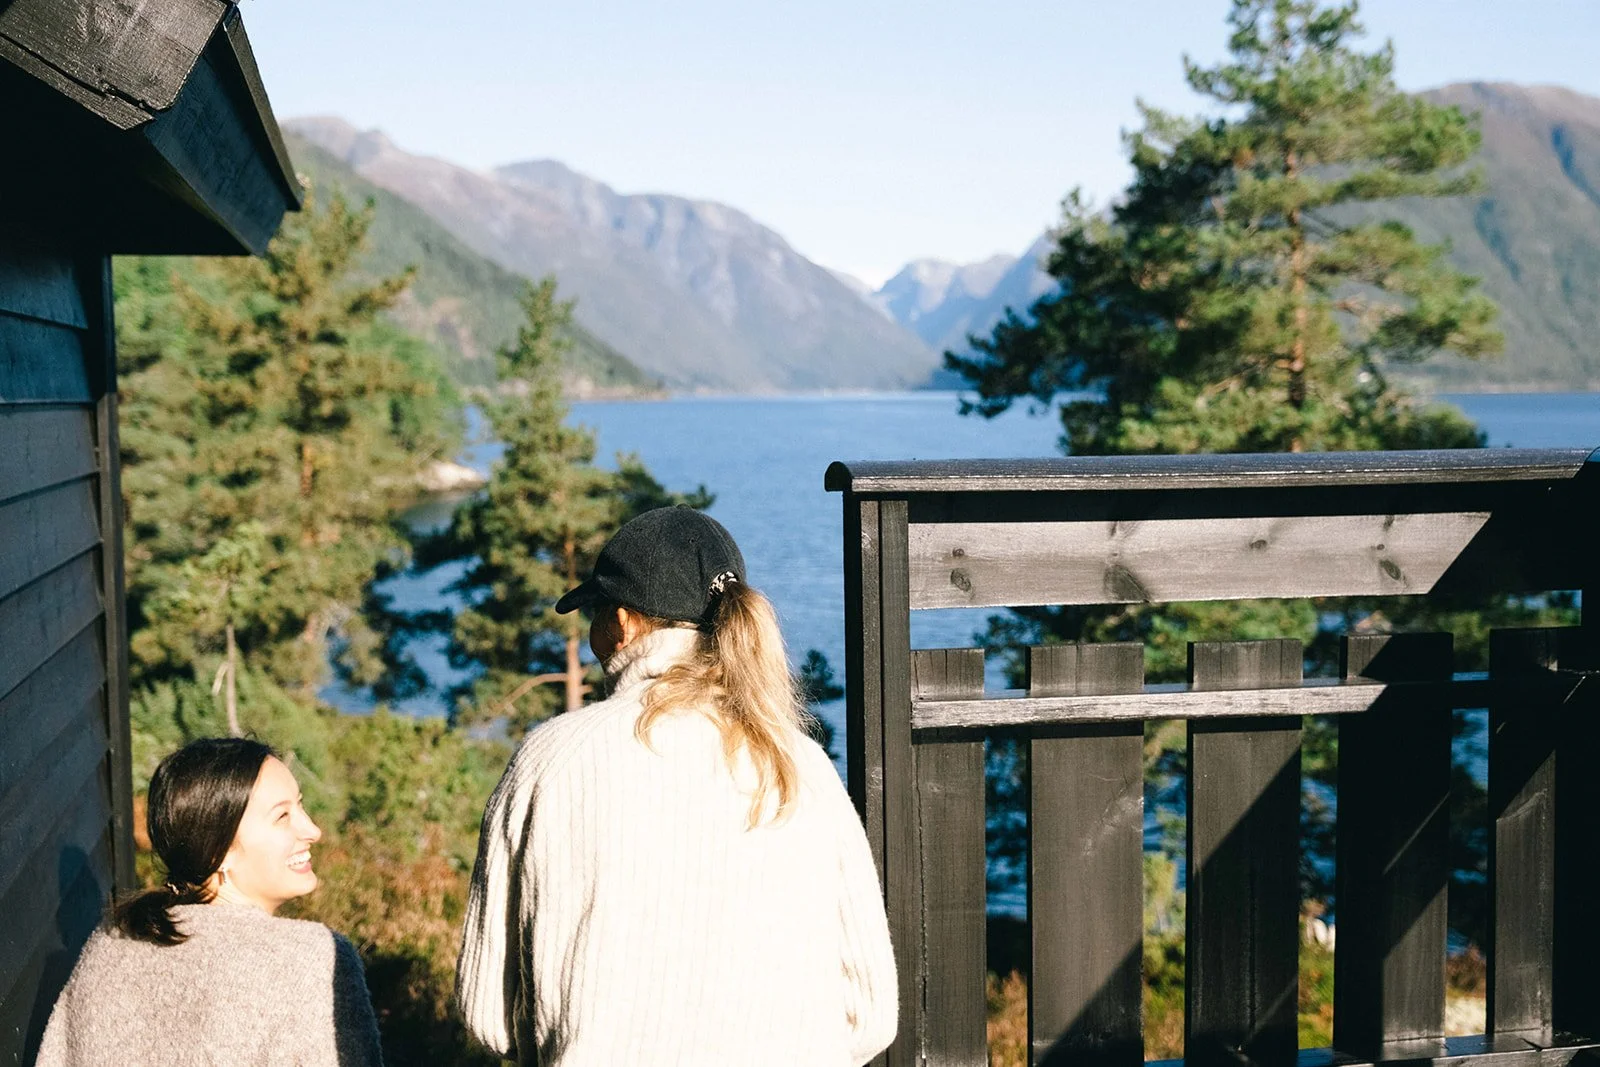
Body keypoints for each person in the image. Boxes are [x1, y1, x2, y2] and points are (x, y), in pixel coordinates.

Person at [456, 506, 896, 1065]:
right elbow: (871, 1015)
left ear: (622, 623)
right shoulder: (801, 764)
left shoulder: (551, 759)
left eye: (594, 616)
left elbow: (488, 1012)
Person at [37, 738, 383, 1066]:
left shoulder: (113, 942)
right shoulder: (311, 960)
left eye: (300, 805)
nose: (312, 830)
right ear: (220, 852)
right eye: (282, 816)